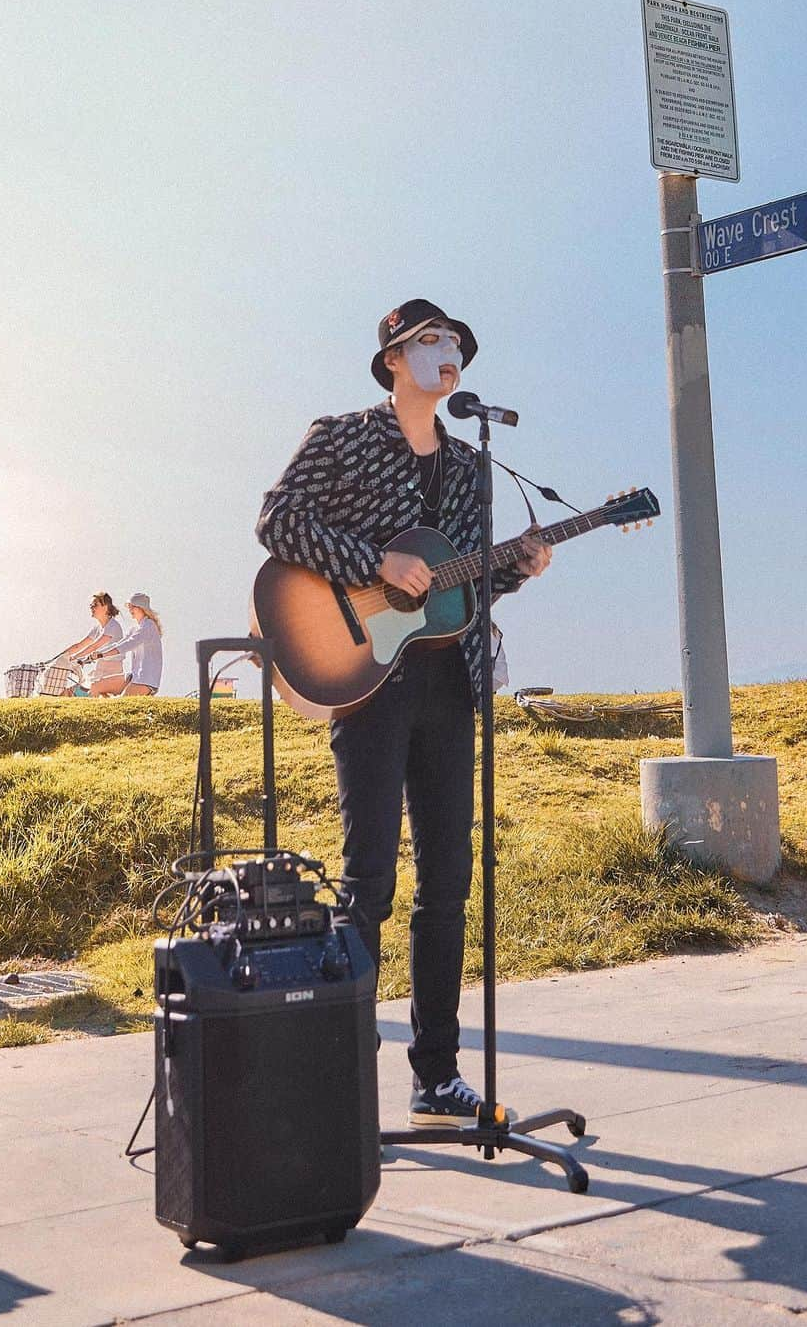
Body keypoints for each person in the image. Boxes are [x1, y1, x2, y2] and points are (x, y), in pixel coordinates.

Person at [256, 298, 551, 1127]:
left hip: (448, 685)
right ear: (392, 359)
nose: (448, 351)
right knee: (369, 881)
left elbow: (457, 587)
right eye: (430, 340)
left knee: (449, 883)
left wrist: (518, 567)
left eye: (456, 341)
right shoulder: (342, 436)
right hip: (366, 678)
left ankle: (436, 1075)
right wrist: (371, 560)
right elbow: (277, 521)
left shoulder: (470, 467)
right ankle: (344, 1076)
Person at [85, 592, 163, 695]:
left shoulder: (149, 626)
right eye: (129, 607)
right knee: (96, 686)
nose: (130, 610)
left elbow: (128, 645)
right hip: (134, 677)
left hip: (146, 680)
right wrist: (98, 653)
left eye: (132, 607)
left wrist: (102, 654)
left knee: (119, 705)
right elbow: (119, 644)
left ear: (141, 608)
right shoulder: (135, 628)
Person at [59, 593, 126, 697]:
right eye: (91, 605)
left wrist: (75, 658)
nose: (91, 607)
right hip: (98, 675)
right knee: (67, 694)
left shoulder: (113, 626)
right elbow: (80, 645)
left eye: (95, 605)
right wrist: (61, 657)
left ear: (105, 607)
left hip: (112, 677)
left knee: (89, 693)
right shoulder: (98, 628)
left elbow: (94, 646)